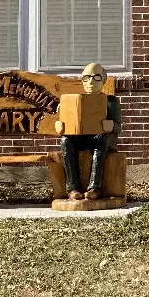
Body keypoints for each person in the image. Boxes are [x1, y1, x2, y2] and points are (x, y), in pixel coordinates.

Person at [55, 63, 122, 200]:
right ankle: (73, 188)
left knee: (100, 139)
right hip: (81, 138)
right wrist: (60, 126)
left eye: (96, 77)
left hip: (102, 139)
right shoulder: (76, 101)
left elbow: (118, 127)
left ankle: (94, 188)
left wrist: (112, 126)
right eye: (87, 77)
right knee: (66, 141)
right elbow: (63, 121)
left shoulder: (110, 101)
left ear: (104, 80)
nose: (91, 81)